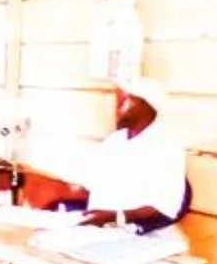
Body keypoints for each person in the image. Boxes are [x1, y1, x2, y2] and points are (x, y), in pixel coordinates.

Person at [41, 76, 189, 229]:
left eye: (124, 101)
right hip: (94, 224)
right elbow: (93, 185)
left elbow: (165, 207)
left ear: (146, 106)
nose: (117, 107)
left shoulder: (166, 147)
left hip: (133, 231)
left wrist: (115, 216)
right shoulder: (115, 141)